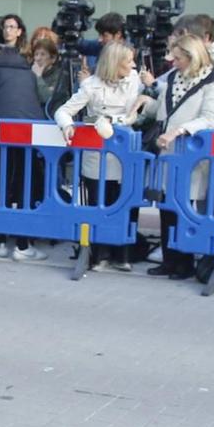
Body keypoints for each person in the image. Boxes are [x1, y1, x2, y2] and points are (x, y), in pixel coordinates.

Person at [54, 39, 143, 271]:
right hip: (97, 154)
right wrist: (67, 126)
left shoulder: (134, 80)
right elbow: (63, 110)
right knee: (98, 202)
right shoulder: (91, 85)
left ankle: (123, 253)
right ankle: (100, 254)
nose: (133, 65)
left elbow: (139, 111)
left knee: (123, 202)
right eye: (129, 61)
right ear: (115, 63)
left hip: (125, 152)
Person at [145, 35, 214, 278]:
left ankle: (185, 262)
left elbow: (210, 118)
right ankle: (170, 260)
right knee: (166, 206)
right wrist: (144, 102)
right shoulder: (173, 77)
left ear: (192, 57)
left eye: (178, 58)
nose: (174, 62)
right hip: (167, 151)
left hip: (192, 154)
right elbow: (163, 109)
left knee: (185, 208)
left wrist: (180, 130)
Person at [0, 26, 52, 261]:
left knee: (1, 183)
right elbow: (43, 98)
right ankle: (22, 244)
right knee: (24, 185)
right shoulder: (28, 72)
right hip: (31, 133)